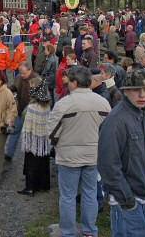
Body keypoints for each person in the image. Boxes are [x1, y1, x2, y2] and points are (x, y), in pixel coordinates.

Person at [47, 66, 111, 237]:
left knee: (67, 196)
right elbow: (108, 131)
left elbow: (51, 133)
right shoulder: (103, 103)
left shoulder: (64, 104)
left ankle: (68, 232)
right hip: (93, 156)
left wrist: (58, 146)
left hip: (68, 157)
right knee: (90, 193)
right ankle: (90, 231)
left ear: (74, 82)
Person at [98, 68, 145, 237]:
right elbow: (108, 165)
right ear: (126, 91)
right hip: (128, 202)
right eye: (136, 90)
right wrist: (128, 200)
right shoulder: (116, 121)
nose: (142, 95)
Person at [18, 74, 51, 196]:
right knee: (43, 162)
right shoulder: (46, 104)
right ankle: (43, 185)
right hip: (43, 139)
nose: (29, 89)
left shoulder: (32, 107)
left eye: (31, 86)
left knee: (31, 164)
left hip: (33, 140)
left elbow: (27, 126)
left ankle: (30, 188)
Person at [5, 62, 36, 161]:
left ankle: (31, 157)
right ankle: (9, 154)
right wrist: (7, 90)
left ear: (30, 70)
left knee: (30, 135)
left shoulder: (37, 80)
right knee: (14, 132)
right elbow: (14, 87)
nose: (22, 75)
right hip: (19, 110)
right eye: (20, 73)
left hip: (31, 114)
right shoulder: (19, 77)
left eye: (24, 73)